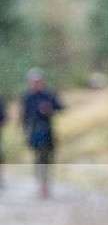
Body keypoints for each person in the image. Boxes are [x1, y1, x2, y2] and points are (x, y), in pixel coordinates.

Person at [22, 68, 63, 198]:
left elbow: (60, 107)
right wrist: (25, 131)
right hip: (35, 132)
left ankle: (46, 183)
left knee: (47, 157)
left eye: (38, 81)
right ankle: (41, 183)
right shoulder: (28, 97)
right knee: (38, 158)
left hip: (48, 130)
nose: (36, 84)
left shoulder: (49, 95)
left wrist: (50, 109)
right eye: (34, 82)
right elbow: (25, 116)